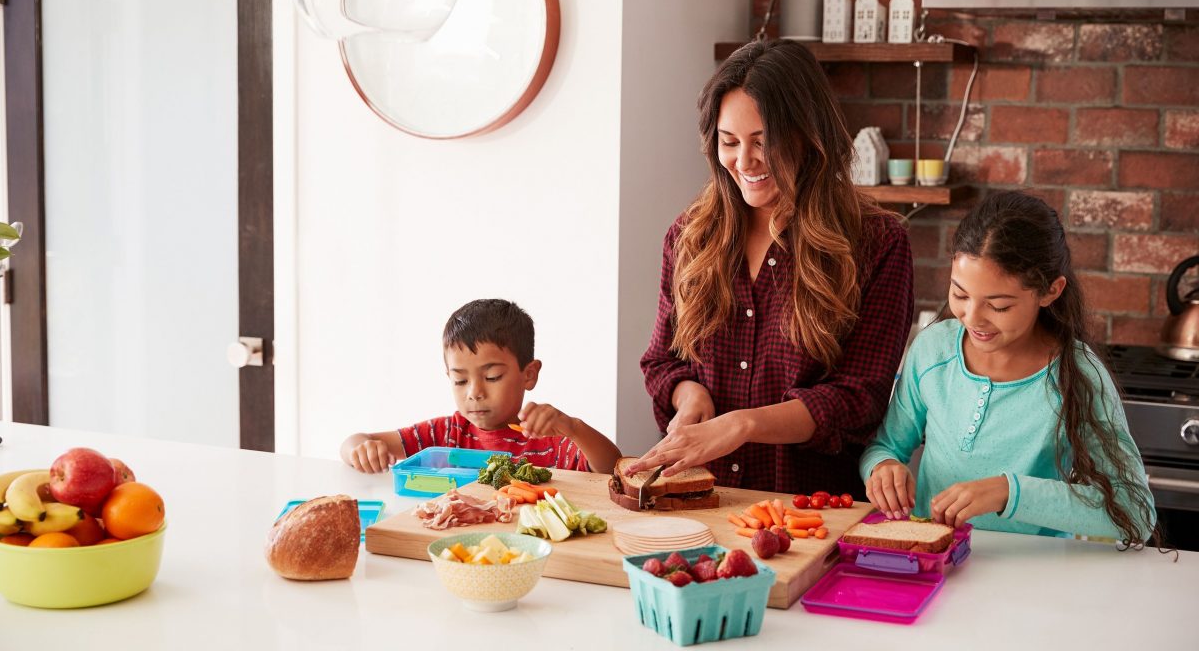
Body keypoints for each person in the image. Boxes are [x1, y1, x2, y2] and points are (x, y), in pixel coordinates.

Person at [629, 39, 915, 496]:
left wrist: (743, 425)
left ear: (809, 134)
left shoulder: (875, 243)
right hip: (703, 501)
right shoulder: (690, 236)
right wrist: (690, 396)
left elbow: (859, 396)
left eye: (764, 142)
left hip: (813, 511)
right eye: (730, 142)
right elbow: (663, 361)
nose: (744, 162)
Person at [861, 191, 1159, 545]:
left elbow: (1135, 513)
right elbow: (884, 447)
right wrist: (882, 469)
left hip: (1031, 575)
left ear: (1050, 291)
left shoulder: (1078, 376)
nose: (972, 318)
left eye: (999, 306)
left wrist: (1010, 493)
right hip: (934, 563)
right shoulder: (932, 349)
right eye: (959, 294)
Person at [340, 299, 621, 475]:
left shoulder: (548, 439)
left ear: (529, 374)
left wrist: (573, 427)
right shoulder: (446, 433)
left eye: (492, 377)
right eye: (460, 380)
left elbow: (613, 468)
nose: (474, 392)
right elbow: (356, 440)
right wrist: (361, 449)